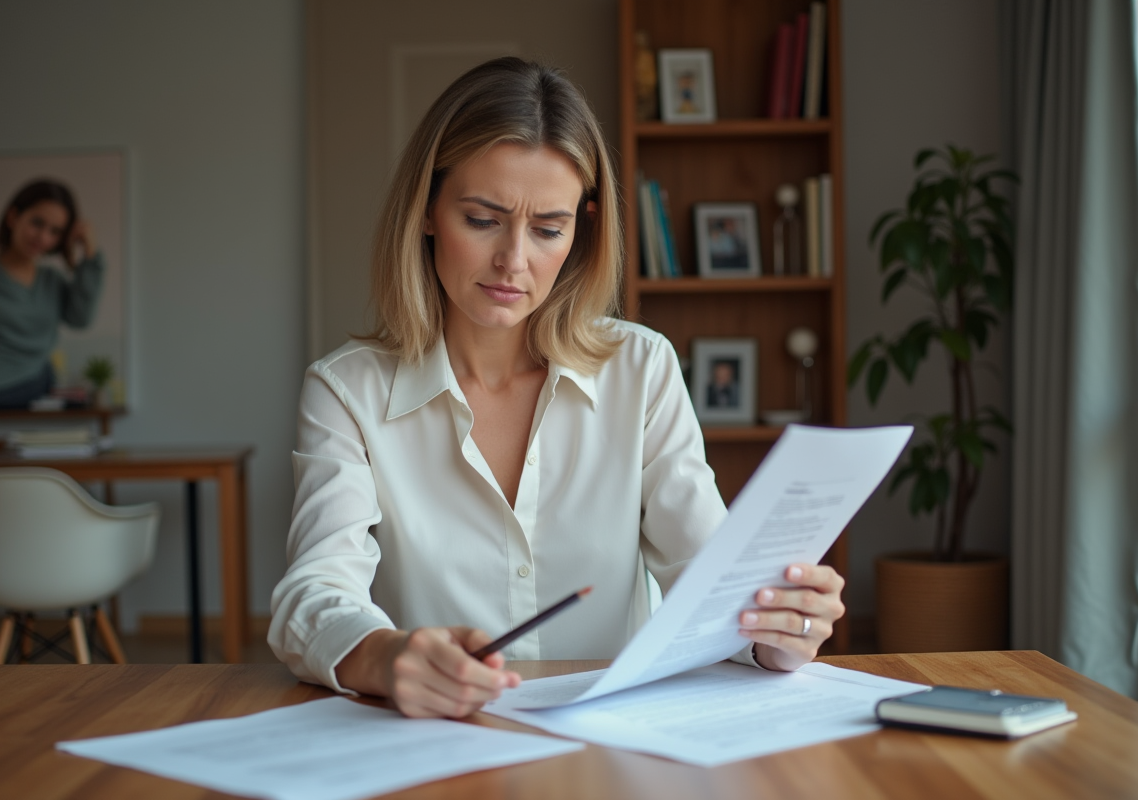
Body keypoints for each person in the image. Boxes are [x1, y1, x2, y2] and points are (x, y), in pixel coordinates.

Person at [269, 57, 845, 719]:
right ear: (427, 211)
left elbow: (712, 585)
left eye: (548, 229)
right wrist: (384, 656)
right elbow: (315, 592)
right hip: (432, 747)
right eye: (482, 220)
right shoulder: (347, 390)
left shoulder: (642, 370)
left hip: (613, 748)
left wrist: (783, 629)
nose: (514, 261)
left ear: (581, 230)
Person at [0, 179, 104, 408]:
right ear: (13, 217)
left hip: (31, 388)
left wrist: (90, 255)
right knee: (49, 378)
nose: (43, 238)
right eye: (37, 223)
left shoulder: (52, 281)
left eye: (55, 231)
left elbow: (81, 318)